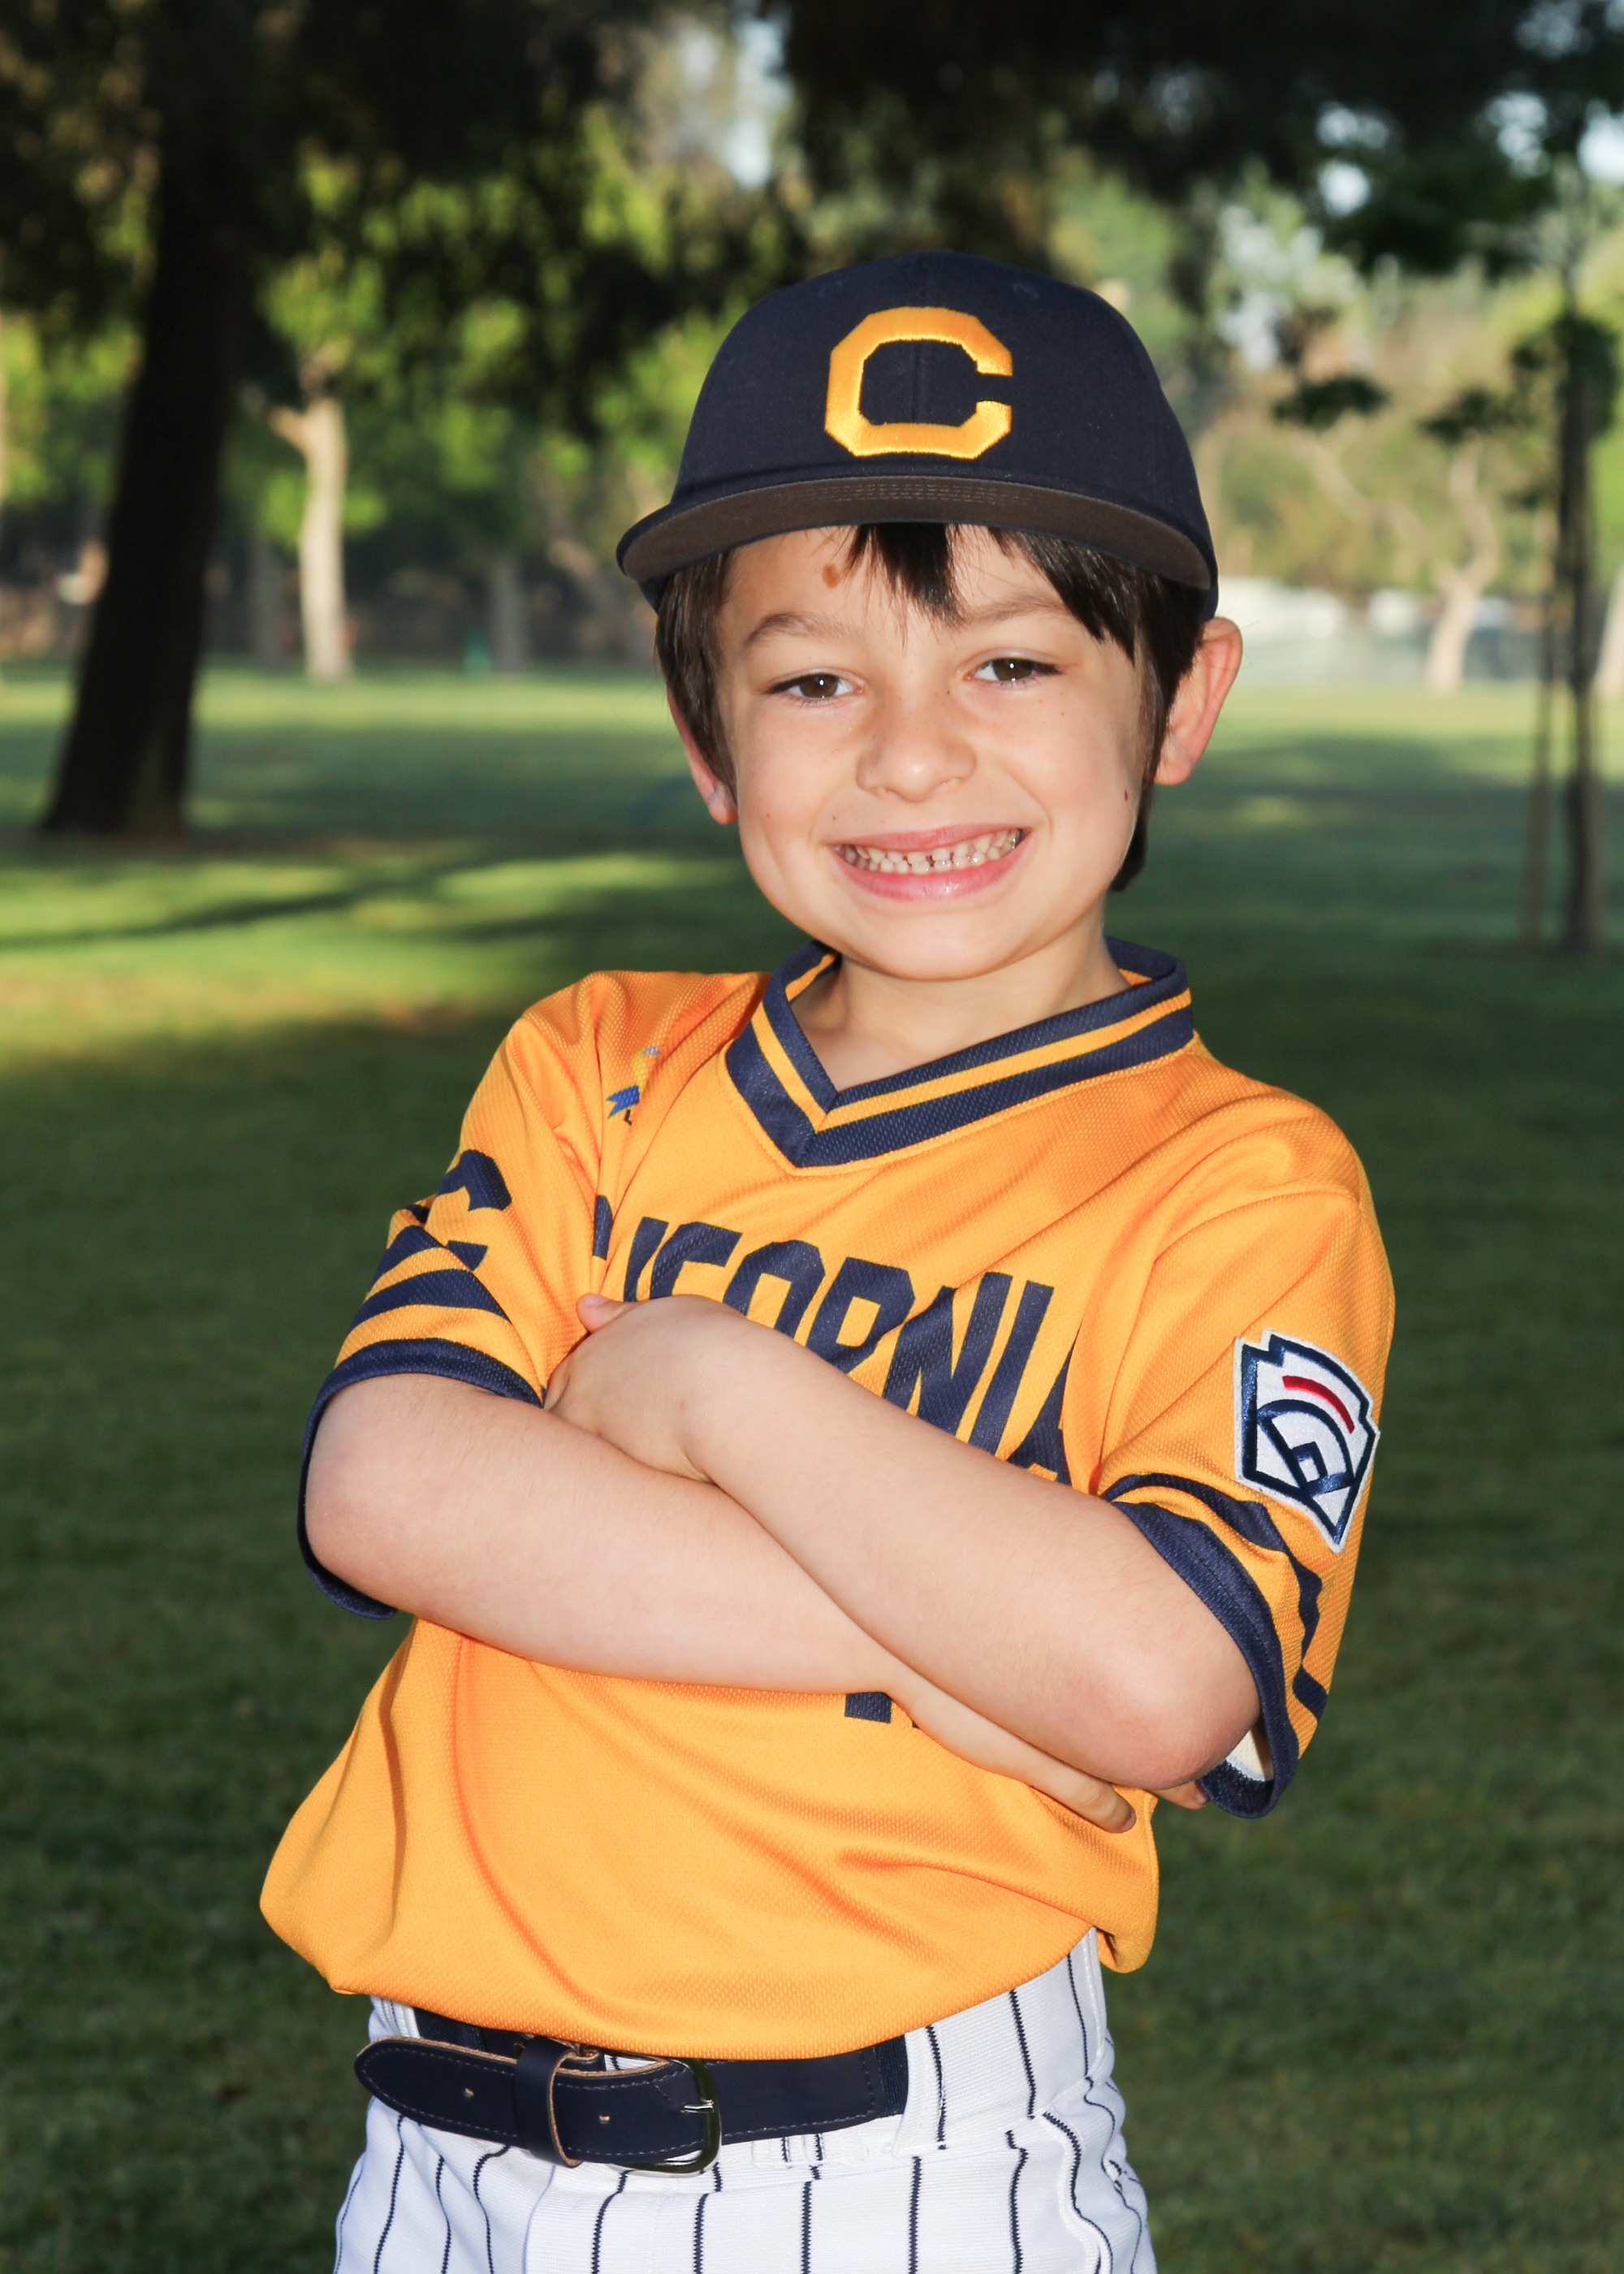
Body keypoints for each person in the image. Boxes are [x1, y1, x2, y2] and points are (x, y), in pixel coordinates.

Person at [263, 252, 1393, 2274]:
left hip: (889, 2175)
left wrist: (710, 1383)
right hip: (431, 2164)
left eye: (1011, 664)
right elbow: (389, 1487)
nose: (911, 753)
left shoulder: (1238, 1180)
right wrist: (975, 1649)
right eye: (811, 680)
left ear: (1183, 698)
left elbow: (1153, 1674)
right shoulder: (602, 1061)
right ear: (707, 732)